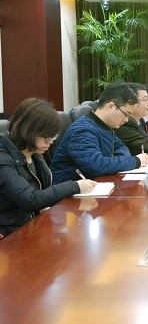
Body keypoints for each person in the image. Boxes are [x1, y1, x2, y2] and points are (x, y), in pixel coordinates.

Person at [0, 98, 96, 237]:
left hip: (30, 224)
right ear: (28, 131)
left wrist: (41, 208)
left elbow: (41, 190)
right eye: (46, 137)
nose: (50, 142)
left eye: (53, 136)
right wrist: (75, 186)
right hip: (9, 232)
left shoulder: (32, 150)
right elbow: (31, 199)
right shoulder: (3, 158)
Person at [51, 83, 148, 183]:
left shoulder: (104, 126)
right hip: (71, 187)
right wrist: (135, 161)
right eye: (126, 114)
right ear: (111, 106)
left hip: (94, 183)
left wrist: (114, 161)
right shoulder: (83, 130)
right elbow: (96, 166)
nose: (126, 120)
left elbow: (122, 147)